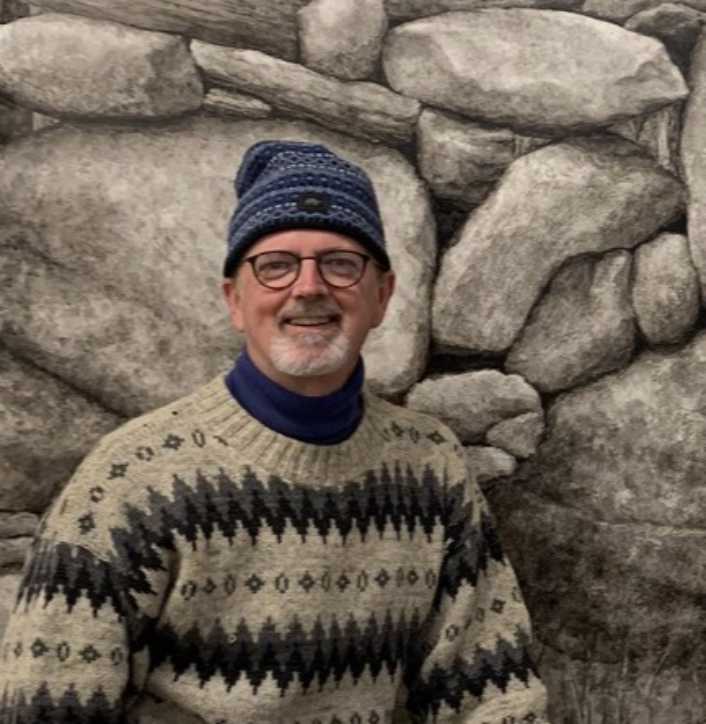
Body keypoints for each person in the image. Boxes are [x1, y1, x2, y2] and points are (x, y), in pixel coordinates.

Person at [0, 140, 548, 723]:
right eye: (276, 265)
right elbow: (45, 706)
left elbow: (492, 690)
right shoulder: (132, 476)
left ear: (382, 297)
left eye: (341, 263)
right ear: (235, 300)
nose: (308, 287)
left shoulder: (430, 464)